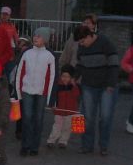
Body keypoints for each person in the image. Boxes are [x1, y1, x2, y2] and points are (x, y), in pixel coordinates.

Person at [75, 26, 120, 156]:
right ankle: (86, 145)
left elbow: (114, 65)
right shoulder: (81, 48)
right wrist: (74, 77)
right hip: (88, 85)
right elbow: (80, 64)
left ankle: (103, 146)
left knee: (105, 117)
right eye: (79, 42)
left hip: (106, 86)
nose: (81, 44)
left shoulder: (105, 43)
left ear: (89, 36)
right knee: (87, 117)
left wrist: (111, 83)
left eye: (83, 41)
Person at [15, 27, 55, 156]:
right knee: (26, 118)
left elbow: (52, 77)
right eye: (35, 35)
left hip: (41, 93)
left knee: (38, 119)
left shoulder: (50, 56)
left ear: (45, 40)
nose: (35, 38)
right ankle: (25, 145)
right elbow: (19, 72)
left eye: (39, 36)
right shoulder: (26, 53)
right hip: (27, 91)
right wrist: (18, 91)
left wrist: (50, 97)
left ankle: (34, 146)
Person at [46, 64, 81, 149]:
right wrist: (52, 105)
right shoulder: (57, 85)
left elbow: (77, 95)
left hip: (70, 111)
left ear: (71, 77)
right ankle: (51, 140)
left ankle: (63, 141)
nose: (65, 78)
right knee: (56, 126)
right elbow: (53, 96)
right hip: (59, 111)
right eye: (63, 76)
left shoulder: (74, 86)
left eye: (67, 77)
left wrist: (74, 86)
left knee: (67, 128)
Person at [8, 36, 32, 140]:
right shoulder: (17, 57)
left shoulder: (29, 57)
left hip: (27, 88)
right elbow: (13, 75)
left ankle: (24, 130)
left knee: (27, 111)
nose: (22, 48)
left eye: (24, 45)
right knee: (20, 111)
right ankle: (19, 131)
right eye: (20, 45)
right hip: (18, 88)